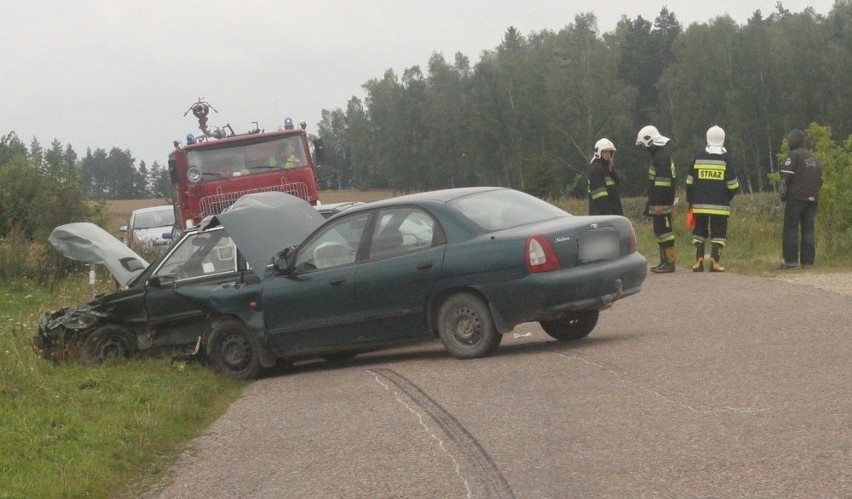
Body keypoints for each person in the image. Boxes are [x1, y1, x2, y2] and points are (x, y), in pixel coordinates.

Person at [685, 126, 740, 272]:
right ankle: (715, 263)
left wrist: (691, 201)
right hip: (720, 206)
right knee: (718, 234)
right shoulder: (726, 159)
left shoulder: (698, 156)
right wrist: (726, 198)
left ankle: (698, 262)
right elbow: (733, 185)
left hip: (699, 205)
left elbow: (689, 182)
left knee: (699, 232)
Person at [636, 125, 677, 273]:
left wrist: (659, 204)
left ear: (650, 141)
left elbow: (662, 184)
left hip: (662, 204)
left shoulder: (661, 158)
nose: (644, 149)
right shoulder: (659, 157)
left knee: (665, 233)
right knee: (660, 232)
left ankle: (670, 263)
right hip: (658, 203)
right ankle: (663, 261)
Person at [779, 129, 822, 269]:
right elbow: (820, 180)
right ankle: (808, 263)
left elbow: (786, 178)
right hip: (812, 199)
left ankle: (790, 262)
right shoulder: (814, 158)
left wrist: (783, 194)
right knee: (808, 231)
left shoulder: (794, 155)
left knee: (791, 230)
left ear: (794, 141)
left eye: (789, 140)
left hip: (796, 198)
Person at [587, 138, 623, 215]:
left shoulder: (607, 169)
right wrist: (608, 217)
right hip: (602, 217)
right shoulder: (596, 169)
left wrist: (611, 169)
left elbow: (617, 183)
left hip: (612, 215)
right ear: (599, 152)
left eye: (610, 152)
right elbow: (601, 198)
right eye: (605, 152)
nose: (608, 154)